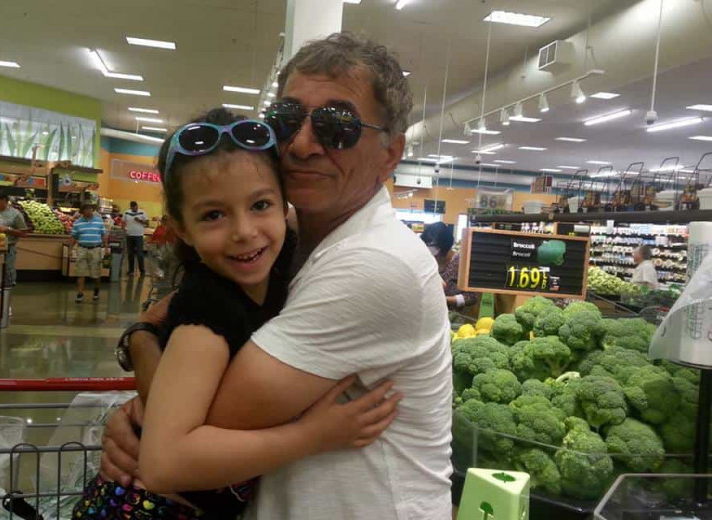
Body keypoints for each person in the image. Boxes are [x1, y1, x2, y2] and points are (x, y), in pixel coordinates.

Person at [103, 32, 452, 519]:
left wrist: (145, 409)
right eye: (286, 119)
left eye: (337, 125)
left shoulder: (377, 263)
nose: (302, 144)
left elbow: (198, 425)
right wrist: (143, 337)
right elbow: (174, 327)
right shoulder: (284, 241)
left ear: (390, 155)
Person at [73, 108, 399, 520]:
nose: (244, 231)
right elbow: (162, 465)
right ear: (181, 228)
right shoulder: (207, 315)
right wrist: (311, 436)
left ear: (285, 205)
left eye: (260, 204)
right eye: (213, 215)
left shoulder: (280, 267)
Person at [421, 221, 479, 309]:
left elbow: (471, 297)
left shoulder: (461, 263)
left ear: (445, 245)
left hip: (454, 313)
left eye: (433, 247)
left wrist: (443, 300)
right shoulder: (428, 261)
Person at [0, 189, 28, 288]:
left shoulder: (15, 214)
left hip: (8, 250)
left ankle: (7, 294)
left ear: (4, 200)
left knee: (7, 276)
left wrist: (8, 230)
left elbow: (24, 233)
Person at [71, 203, 107, 303]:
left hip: (95, 249)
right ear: (82, 211)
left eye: (91, 209)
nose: (89, 211)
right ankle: (80, 294)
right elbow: (73, 236)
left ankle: (96, 290)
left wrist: (106, 247)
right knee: (80, 272)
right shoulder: (77, 222)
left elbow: (104, 234)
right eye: (87, 209)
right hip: (82, 248)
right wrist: (70, 249)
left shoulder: (99, 221)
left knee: (96, 272)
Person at [123, 200, 148, 276]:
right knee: (130, 254)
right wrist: (123, 230)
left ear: (137, 206)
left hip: (139, 235)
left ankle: (142, 270)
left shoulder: (142, 212)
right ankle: (131, 270)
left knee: (140, 254)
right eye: (133, 208)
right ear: (130, 207)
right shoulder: (126, 212)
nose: (135, 209)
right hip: (129, 235)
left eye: (136, 207)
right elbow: (123, 222)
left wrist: (139, 220)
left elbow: (147, 223)